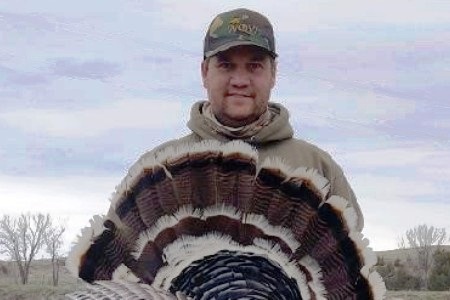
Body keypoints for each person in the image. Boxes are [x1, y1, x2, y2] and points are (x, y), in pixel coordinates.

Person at [130, 8, 363, 231]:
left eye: (254, 66)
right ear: (204, 72)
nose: (240, 80)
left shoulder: (316, 167)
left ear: (273, 74)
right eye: (226, 65)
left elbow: (350, 267)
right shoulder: (158, 168)